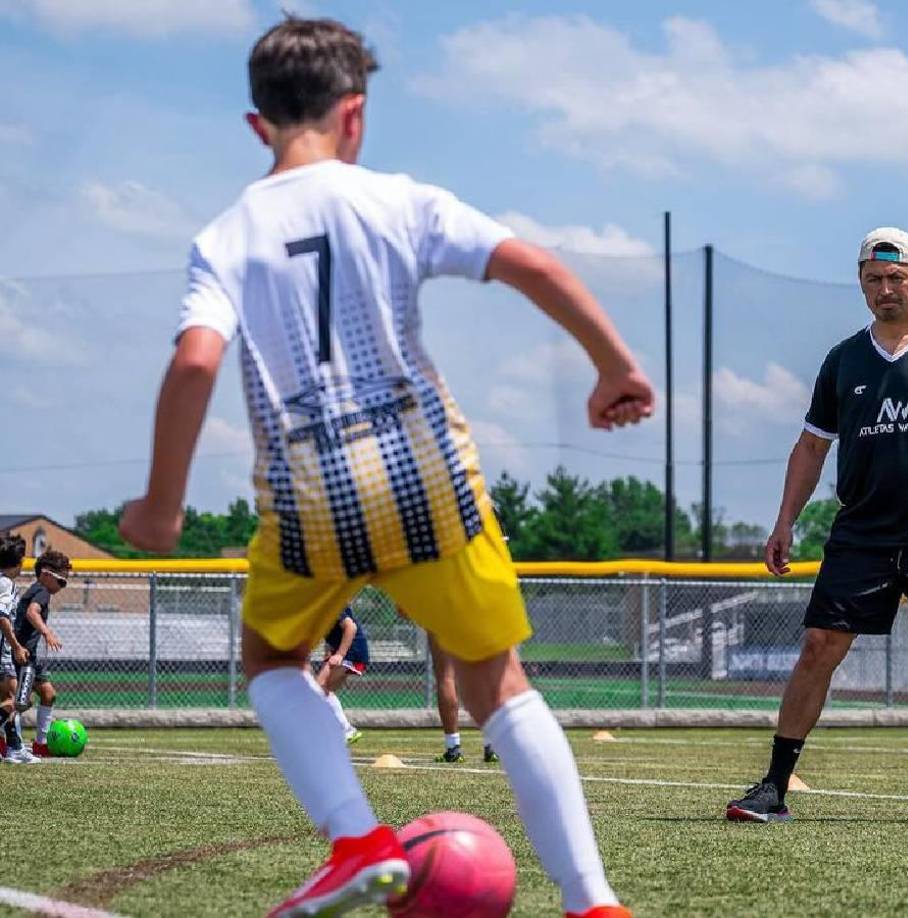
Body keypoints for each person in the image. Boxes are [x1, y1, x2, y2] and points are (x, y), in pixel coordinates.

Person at [118, 16, 651, 918]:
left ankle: (358, 839)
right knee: (498, 680)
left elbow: (197, 362)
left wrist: (162, 507)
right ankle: (593, 901)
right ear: (354, 115)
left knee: (273, 661)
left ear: (258, 125)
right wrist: (615, 366)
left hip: (309, 490)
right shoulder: (399, 200)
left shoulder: (226, 235)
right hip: (426, 469)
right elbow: (530, 263)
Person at [726, 227, 908, 826]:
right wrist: (784, 520)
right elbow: (811, 447)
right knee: (818, 648)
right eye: (872, 280)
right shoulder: (844, 359)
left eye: (895, 278)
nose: (885, 289)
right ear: (861, 284)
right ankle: (774, 787)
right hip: (861, 532)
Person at [2, 549, 71, 764]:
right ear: (46, 574)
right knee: (19, 702)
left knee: (48, 694)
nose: (63, 587)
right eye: (62, 581)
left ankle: (41, 745)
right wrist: (47, 632)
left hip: (31, 657)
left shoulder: (41, 590)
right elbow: (33, 613)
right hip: (22, 654)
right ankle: (13, 746)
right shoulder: (41, 590)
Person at [429, 633, 497, 764]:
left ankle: (453, 748)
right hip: (474, 614)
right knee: (482, 673)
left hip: (443, 616)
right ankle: (492, 747)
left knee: (445, 676)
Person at [317, 606, 369, 745]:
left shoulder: (329, 602)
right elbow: (332, 631)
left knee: (321, 687)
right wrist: (330, 651)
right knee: (323, 690)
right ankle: (340, 730)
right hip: (344, 650)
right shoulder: (317, 604)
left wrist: (340, 654)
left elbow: (350, 627)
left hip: (352, 650)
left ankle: (346, 730)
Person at [0, 534, 28, 761]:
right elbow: (2, 618)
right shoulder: (6, 583)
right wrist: (16, 646)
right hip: (2, 652)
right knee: (18, 699)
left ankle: (14, 747)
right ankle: (15, 748)